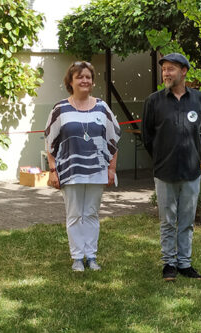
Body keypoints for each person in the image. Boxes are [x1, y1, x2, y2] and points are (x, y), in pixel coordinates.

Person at [44, 61, 121, 272]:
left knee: (92, 213)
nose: (84, 80)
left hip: (97, 169)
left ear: (92, 81)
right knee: (75, 214)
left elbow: (113, 139)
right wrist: (53, 171)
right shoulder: (60, 109)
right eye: (79, 77)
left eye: (88, 77)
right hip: (70, 170)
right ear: (70, 81)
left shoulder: (102, 107)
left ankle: (91, 255)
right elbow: (50, 142)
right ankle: (77, 257)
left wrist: (111, 169)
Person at [142, 53, 201, 281]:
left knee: (187, 221)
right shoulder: (154, 101)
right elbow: (147, 137)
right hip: (165, 171)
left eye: (171, 69)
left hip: (191, 171)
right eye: (164, 70)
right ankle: (169, 263)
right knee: (167, 220)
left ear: (184, 71)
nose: (166, 73)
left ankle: (185, 263)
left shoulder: (199, 99)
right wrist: (162, 157)